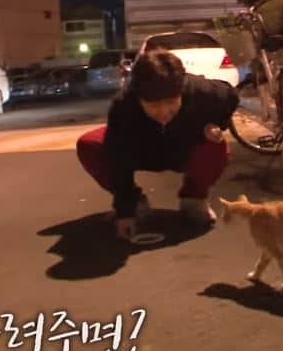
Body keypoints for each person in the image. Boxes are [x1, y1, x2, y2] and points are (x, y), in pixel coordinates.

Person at [76, 49, 240, 241]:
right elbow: (117, 159)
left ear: (181, 91)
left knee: (217, 144)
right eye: (154, 105)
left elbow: (231, 96)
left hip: (185, 150)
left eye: (171, 102)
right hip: (142, 151)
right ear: (138, 97)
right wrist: (125, 211)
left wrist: (217, 124)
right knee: (88, 143)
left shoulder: (203, 92)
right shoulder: (123, 106)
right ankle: (137, 202)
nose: (163, 111)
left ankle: (194, 198)